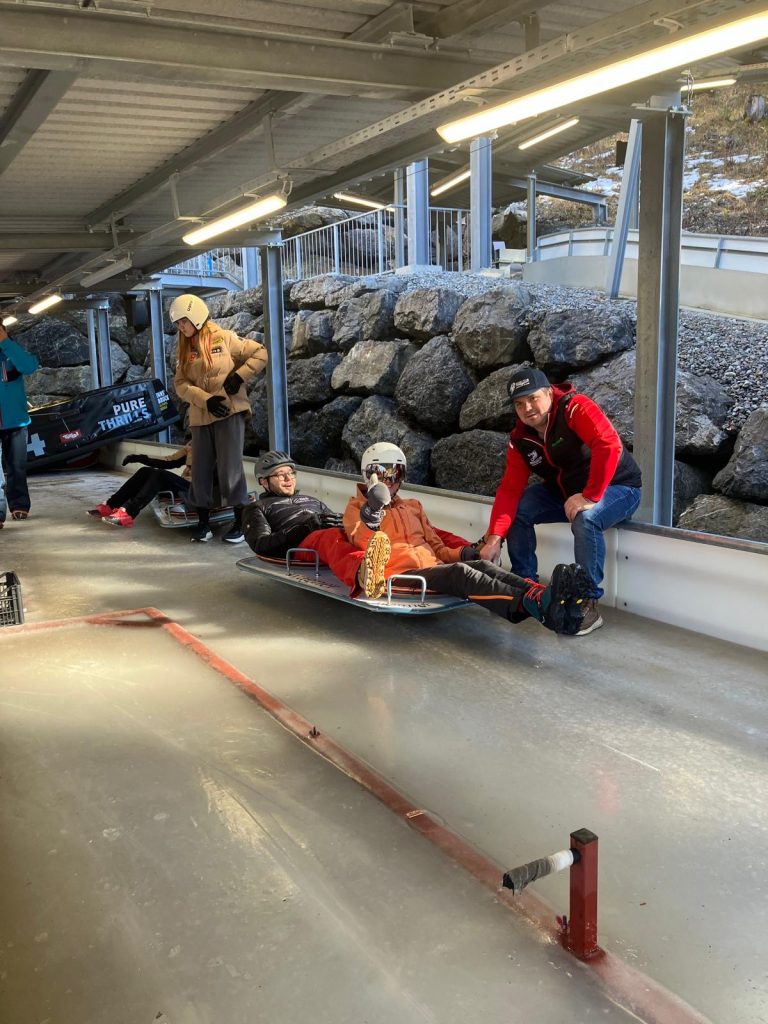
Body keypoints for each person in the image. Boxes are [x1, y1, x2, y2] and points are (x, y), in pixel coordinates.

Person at [343, 442, 592, 635]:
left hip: (432, 569)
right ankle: (535, 604)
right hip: (398, 576)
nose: (390, 481)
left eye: (396, 473)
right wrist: (372, 509)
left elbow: (437, 547)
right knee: (462, 574)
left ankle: (549, 596)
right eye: (382, 473)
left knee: (481, 566)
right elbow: (361, 538)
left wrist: (463, 553)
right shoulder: (357, 508)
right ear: (369, 475)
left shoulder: (412, 506)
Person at [479, 367, 642, 635]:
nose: (527, 408)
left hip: (619, 488)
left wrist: (590, 495)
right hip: (565, 492)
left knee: (586, 518)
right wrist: (494, 538)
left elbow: (608, 444)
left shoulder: (575, 408)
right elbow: (509, 489)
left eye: (533, 399)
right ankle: (525, 589)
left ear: (549, 393)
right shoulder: (520, 438)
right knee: (520, 509)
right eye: (519, 404)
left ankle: (586, 602)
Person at [243, 450, 474, 599]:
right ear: (264, 482)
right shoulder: (258, 508)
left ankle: (470, 550)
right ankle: (366, 574)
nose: (288, 478)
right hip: (306, 541)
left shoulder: (311, 500)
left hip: (324, 530)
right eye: (280, 475)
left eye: (291, 473)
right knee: (331, 537)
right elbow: (262, 545)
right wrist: (308, 527)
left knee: (416, 525)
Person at [171, 293, 267, 543]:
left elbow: (260, 353)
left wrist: (239, 377)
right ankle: (203, 523)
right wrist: (204, 399)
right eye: (178, 323)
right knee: (200, 469)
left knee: (230, 469)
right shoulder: (185, 349)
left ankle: (240, 523)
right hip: (201, 417)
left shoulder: (223, 338)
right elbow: (180, 384)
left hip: (229, 414)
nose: (181, 327)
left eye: (183, 321)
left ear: (196, 316)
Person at [86, 444, 192, 527]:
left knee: (159, 474)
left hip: (198, 488)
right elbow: (170, 461)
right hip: (184, 484)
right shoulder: (193, 444)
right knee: (145, 471)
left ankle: (128, 513)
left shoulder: (207, 445)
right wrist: (141, 458)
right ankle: (111, 505)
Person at [0, 322, 40, 525]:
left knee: (17, 467)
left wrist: (5, 342)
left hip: (16, 421)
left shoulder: (12, 351)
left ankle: (19, 505)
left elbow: (29, 366)